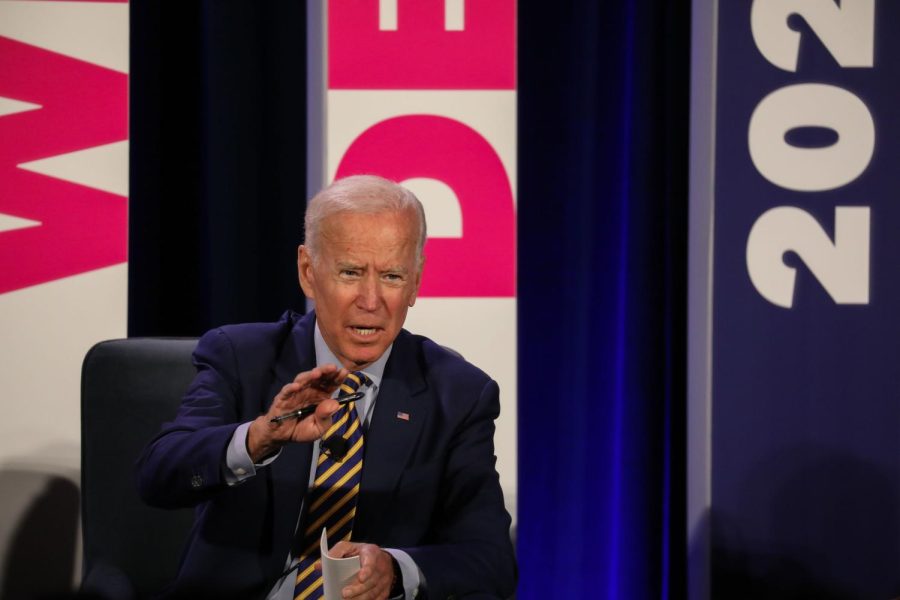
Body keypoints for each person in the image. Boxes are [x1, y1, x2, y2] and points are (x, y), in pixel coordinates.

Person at [136, 175, 516, 599]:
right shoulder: (240, 357)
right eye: (351, 272)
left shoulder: (458, 395)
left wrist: (394, 570)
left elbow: (491, 561)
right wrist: (259, 438)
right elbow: (158, 476)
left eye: (391, 276)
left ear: (416, 280)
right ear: (308, 272)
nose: (371, 301)